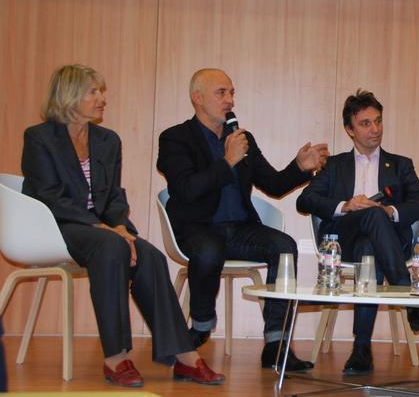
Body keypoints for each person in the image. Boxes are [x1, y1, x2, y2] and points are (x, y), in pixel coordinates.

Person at [21, 65, 224, 387]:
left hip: (103, 231)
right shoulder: (40, 137)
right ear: (70, 96)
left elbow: (114, 196)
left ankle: (184, 356)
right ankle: (115, 357)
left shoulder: (107, 140)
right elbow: (49, 196)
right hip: (55, 225)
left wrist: (120, 228)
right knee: (112, 247)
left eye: (101, 92)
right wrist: (105, 230)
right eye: (94, 92)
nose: (102, 99)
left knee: (150, 255)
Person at [156, 68, 328, 371]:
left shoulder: (242, 138)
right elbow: (185, 190)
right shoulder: (175, 138)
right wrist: (227, 162)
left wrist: (300, 167)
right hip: (198, 228)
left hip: (241, 230)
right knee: (209, 251)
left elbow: (273, 184)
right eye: (221, 93)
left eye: (232, 93)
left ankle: (276, 344)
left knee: (284, 247)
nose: (229, 100)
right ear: (198, 98)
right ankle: (201, 325)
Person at [297, 89, 419, 376]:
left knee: (370, 243)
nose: (375, 129)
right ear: (350, 129)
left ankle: (362, 349)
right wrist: (346, 206)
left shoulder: (400, 165)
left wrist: (390, 212)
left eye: (378, 121)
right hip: (342, 240)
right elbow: (304, 200)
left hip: (386, 242)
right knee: (367, 212)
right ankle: (412, 303)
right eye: (365, 123)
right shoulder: (334, 166)